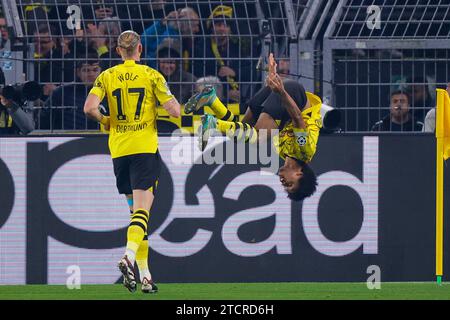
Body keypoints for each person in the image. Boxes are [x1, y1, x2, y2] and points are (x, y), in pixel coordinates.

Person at [83, 30, 181, 293]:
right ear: (140, 49)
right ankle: (128, 257)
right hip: (144, 150)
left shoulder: (106, 76)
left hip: (119, 151)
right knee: (142, 212)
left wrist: (106, 121)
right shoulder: (152, 75)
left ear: (117, 51)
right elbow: (175, 111)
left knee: (136, 215)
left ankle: (146, 277)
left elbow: (89, 108)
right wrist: (171, 109)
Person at [186, 53, 321, 201]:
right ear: (299, 174)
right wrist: (281, 92)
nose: (282, 183)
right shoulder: (304, 150)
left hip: (286, 94)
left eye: (285, 187)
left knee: (242, 128)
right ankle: (213, 124)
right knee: (258, 137)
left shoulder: (283, 152)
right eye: (289, 184)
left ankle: (212, 100)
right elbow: (297, 118)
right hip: (292, 95)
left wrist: (273, 78)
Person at [193, 5, 259, 105]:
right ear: (212, 27)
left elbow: (252, 71)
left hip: (237, 98)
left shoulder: (237, 47)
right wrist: (225, 93)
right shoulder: (201, 48)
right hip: (210, 99)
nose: (222, 29)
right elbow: (198, 73)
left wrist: (235, 72)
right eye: (219, 25)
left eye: (226, 25)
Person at [43, 51, 103, 130]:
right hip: (68, 138)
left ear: (101, 71)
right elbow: (44, 120)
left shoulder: (108, 92)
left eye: (95, 70)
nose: (91, 74)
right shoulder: (62, 93)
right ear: (78, 72)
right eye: (86, 70)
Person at [156, 38, 196, 103]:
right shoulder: (153, 79)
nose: (166, 66)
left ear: (177, 63)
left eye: (171, 62)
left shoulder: (190, 80)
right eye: (163, 62)